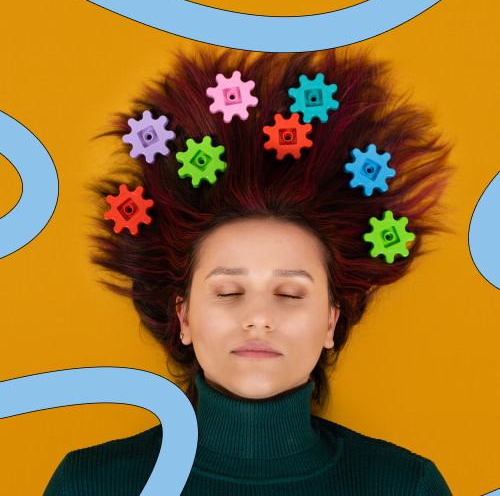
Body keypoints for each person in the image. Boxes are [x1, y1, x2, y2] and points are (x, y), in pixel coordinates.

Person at [43, 45, 454, 495]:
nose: (258, 316)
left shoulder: (405, 486)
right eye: (228, 291)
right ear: (183, 317)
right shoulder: (91, 484)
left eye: (290, 293)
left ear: (331, 322)